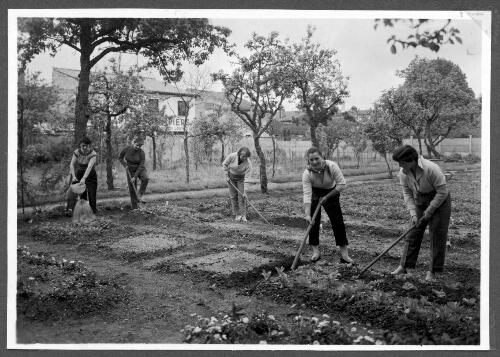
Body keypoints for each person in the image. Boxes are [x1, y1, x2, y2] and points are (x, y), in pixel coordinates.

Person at [390, 145, 451, 281]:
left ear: (411, 160)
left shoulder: (431, 169)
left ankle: (432, 272)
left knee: (436, 235)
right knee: (413, 233)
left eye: (401, 162)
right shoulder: (403, 172)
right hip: (420, 199)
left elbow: (442, 191)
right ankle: (403, 267)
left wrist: (429, 210)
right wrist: (413, 213)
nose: (399, 165)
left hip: (440, 201)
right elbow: (407, 193)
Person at [302, 147, 354, 264]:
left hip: (332, 191)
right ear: (308, 161)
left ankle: (344, 255)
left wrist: (327, 197)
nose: (314, 162)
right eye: (311, 160)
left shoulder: (332, 166)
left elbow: (341, 185)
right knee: (313, 222)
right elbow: (307, 194)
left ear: (322, 157)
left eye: (317, 158)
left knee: (337, 222)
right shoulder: (307, 173)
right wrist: (307, 214)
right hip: (315, 192)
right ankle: (316, 252)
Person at [118, 137, 149, 209]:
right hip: (130, 169)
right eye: (137, 145)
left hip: (139, 168)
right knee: (132, 188)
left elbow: (141, 165)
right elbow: (120, 157)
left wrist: (134, 177)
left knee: (146, 178)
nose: (138, 147)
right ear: (133, 143)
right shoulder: (127, 149)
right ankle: (134, 207)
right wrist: (124, 165)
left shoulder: (141, 152)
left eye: (140, 146)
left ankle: (140, 196)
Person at [69, 136, 98, 214]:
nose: (84, 147)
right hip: (80, 172)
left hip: (90, 174)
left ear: (89, 145)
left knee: (92, 194)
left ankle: (92, 213)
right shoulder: (76, 152)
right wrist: (74, 176)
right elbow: (72, 164)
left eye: (87, 146)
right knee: (82, 194)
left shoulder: (93, 154)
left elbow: (89, 167)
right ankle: (83, 212)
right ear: (80, 145)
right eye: (83, 146)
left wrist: (84, 178)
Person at [223, 147, 252, 222]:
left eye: (246, 157)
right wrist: (226, 176)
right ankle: (237, 215)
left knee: (242, 197)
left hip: (241, 179)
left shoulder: (248, 164)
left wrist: (245, 191)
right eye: (243, 156)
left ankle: (243, 216)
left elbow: (247, 178)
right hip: (231, 178)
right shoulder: (232, 156)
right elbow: (224, 164)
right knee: (233, 196)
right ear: (239, 154)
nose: (244, 158)